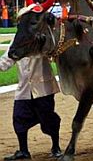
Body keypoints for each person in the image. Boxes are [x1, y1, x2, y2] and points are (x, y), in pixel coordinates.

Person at [0, 9, 62, 160]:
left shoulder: (42, 40)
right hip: (24, 91)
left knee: (49, 120)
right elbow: (5, 62)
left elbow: (51, 51)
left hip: (43, 90)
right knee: (19, 119)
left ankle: (56, 147)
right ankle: (23, 151)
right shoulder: (16, 43)